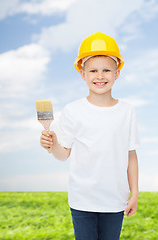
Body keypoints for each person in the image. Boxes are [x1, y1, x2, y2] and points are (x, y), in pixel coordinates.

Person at [40, 32, 141, 240]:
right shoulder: (73, 110)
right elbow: (63, 154)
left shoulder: (127, 111)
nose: (100, 76)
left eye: (107, 70)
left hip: (115, 200)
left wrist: (135, 192)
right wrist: (53, 144)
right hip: (82, 200)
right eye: (93, 70)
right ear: (83, 74)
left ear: (117, 73)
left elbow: (131, 155)